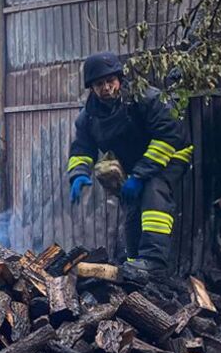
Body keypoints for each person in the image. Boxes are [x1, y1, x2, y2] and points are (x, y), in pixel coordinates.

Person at [67, 52, 192, 282]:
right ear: (91, 88)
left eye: (110, 81)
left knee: (154, 190)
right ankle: (135, 261)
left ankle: (154, 262)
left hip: (172, 154)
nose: (106, 88)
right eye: (99, 84)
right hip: (136, 165)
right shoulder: (89, 117)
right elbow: (82, 149)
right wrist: (78, 174)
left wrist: (139, 175)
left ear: (120, 79)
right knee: (132, 206)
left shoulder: (146, 98)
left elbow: (168, 137)